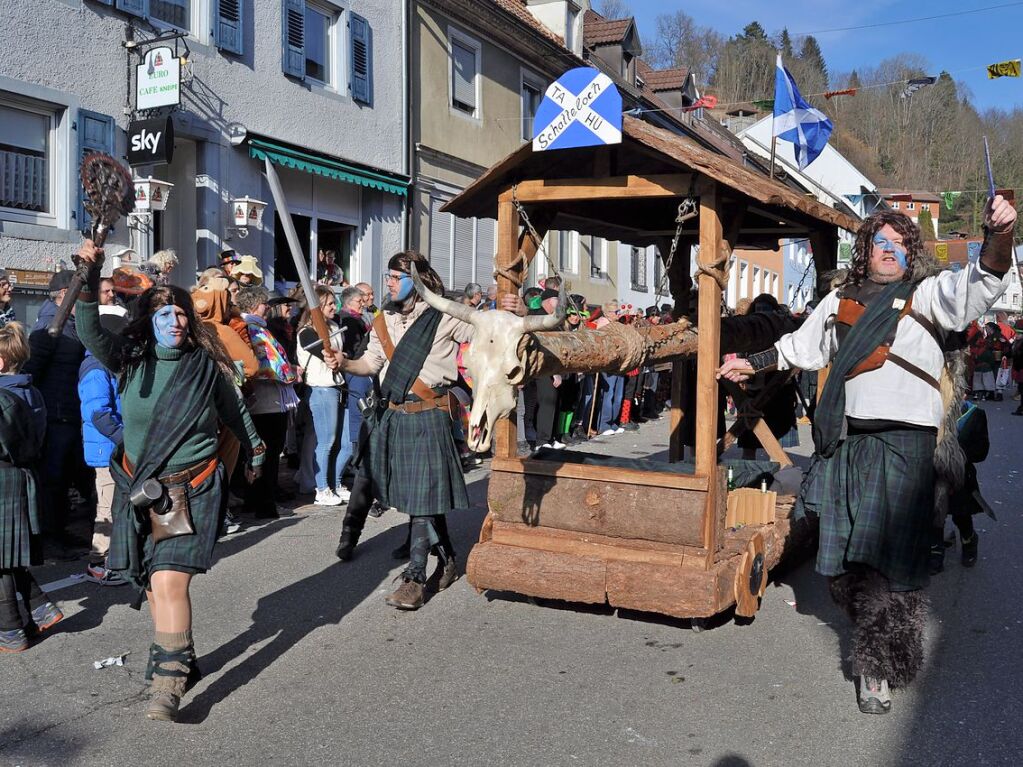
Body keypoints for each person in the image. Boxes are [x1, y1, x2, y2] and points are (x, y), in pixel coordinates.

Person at [718, 199, 1017, 715]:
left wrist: (998, 235)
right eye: (882, 241)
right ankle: (881, 635)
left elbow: (978, 285)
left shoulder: (925, 295)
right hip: (850, 444)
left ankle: (878, 665)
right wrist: (753, 363)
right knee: (845, 562)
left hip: (907, 445)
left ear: (910, 255)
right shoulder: (837, 302)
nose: (890, 251)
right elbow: (799, 347)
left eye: (901, 245)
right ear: (865, 249)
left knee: (893, 560)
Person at [74, 239, 265, 722]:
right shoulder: (130, 360)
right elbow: (90, 330)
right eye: (164, 315)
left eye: (180, 314)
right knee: (156, 586)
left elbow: (235, 410)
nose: (175, 321)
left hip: (194, 487)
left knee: (169, 581)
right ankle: (179, 656)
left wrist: (256, 451)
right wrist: (89, 272)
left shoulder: (206, 367)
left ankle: (169, 683)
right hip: (142, 489)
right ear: (149, 322)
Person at [333, 252, 471, 610]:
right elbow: (371, 363)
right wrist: (344, 362)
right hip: (394, 415)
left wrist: (506, 310)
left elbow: (486, 331)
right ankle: (450, 559)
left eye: (396, 276)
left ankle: (414, 576)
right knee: (418, 497)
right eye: (388, 276)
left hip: (429, 414)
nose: (389, 283)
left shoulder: (445, 316)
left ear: (418, 280)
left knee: (422, 498)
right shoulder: (383, 320)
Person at [0, 322, 64, 652]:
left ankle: (11, 631)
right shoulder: (32, 391)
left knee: (1, 562)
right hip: (24, 477)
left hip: (3, 480)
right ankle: (38, 612)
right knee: (7, 559)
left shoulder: (1, 398)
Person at [24, 270, 89, 552]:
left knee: (67, 475)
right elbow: (31, 370)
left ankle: (60, 531)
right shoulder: (50, 326)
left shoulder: (71, 323)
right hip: (56, 413)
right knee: (54, 478)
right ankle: (51, 537)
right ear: (65, 294)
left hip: (70, 412)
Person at [236, 286, 299, 518]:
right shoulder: (252, 328)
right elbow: (263, 364)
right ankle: (266, 505)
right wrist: (288, 372)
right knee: (268, 455)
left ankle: (257, 501)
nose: (268, 309)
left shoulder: (257, 327)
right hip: (264, 402)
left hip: (269, 401)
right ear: (254, 305)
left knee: (263, 454)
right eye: (265, 304)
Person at [79, 307, 129, 586]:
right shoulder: (95, 368)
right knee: (107, 507)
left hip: (114, 446)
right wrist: (123, 438)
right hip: (105, 449)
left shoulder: (108, 364)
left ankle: (116, 558)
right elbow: (98, 412)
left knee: (117, 505)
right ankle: (98, 563)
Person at [296, 285, 351, 506]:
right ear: (316, 308)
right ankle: (321, 488)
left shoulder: (335, 326)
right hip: (321, 389)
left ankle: (333, 483)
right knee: (325, 441)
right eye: (328, 303)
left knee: (341, 441)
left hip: (337, 388)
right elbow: (327, 354)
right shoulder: (307, 332)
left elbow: (341, 356)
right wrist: (340, 356)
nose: (334, 307)